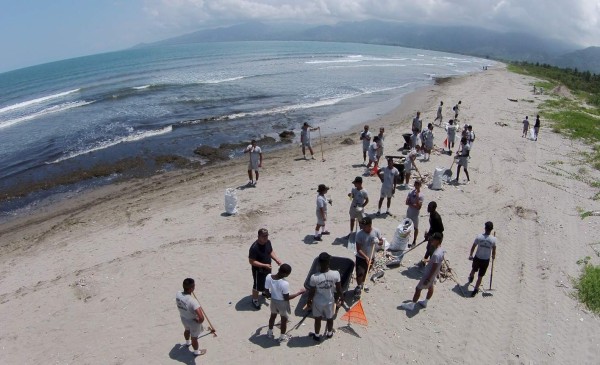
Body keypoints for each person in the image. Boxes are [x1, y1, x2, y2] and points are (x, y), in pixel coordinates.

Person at [400, 232, 444, 310]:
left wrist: (428, 278)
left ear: (438, 240)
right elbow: (437, 263)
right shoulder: (441, 250)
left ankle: (412, 305)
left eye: (433, 239)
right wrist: (428, 260)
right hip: (434, 274)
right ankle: (425, 302)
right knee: (431, 287)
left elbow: (434, 267)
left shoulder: (436, 254)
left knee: (418, 288)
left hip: (429, 274)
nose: (432, 241)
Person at [307, 252, 343, 341]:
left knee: (317, 319)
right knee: (330, 318)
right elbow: (339, 288)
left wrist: (309, 300)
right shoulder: (335, 274)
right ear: (328, 262)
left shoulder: (314, 277)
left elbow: (312, 291)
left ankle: (317, 335)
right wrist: (341, 297)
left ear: (319, 263)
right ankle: (329, 333)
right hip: (329, 301)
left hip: (318, 302)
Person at [265, 264, 305, 342]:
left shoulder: (269, 276)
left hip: (273, 300)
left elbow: (266, 291)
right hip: (282, 303)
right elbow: (286, 297)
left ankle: (269, 332)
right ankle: (282, 337)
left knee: (272, 316)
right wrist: (299, 293)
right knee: (284, 319)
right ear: (286, 274)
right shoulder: (284, 283)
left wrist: (272, 296)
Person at [248, 228, 283, 309]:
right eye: (264, 236)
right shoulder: (254, 247)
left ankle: (264, 292)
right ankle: (255, 300)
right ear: (258, 236)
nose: (266, 237)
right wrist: (264, 265)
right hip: (258, 270)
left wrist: (276, 259)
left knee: (267, 281)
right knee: (256, 286)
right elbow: (251, 261)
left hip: (267, 267)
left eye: (267, 235)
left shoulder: (268, 242)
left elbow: (270, 251)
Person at [176, 278, 206, 357]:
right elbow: (202, 318)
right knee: (194, 338)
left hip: (183, 318)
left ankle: (187, 342)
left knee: (186, 330)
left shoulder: (178, 294)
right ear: (191, 288)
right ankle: (196, 352)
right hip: (192, 321)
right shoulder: (192, 301)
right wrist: (198, 321)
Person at [354, 217, 383, 298]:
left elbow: (381, 242)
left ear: (370, 225)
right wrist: (366, 257)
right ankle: (359, 287)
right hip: (361, 257)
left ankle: (362, 284)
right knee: (360, 273)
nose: (362, 227)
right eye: (362, 225)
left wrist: (378, 241)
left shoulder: (376, 231)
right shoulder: (359, 234)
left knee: (366, 272)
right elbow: (358, 249)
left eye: (364, 226)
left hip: (372, 257)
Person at [468, 221, 497, 297]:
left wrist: (471, 255)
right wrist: (493, 256)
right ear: (491, 229)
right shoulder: (493, 239)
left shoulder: (479, 236)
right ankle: (475, 289)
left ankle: (471, 276)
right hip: (485, 260)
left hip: (477, 258)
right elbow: (494, 250)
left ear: (485, 228)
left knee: (474, 269)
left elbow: (473, 246)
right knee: (480, 276)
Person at [422, 201, 444, 266]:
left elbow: (441, 229)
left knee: (432, 251)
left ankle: (431, 266)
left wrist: (431, 235)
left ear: (434, 208)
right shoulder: (431, 215)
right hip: (433, 235)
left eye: (430, 207)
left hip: (437, 236)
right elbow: (432, 227)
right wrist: (428, 234)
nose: (428, 208)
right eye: (428, 207)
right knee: (428, 248)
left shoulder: (436, 217)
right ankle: (424, 260)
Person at [406, 180, 424, 247]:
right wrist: (414, 204)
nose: (416, 186)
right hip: (409, 212)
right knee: (407, 227)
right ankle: (406, 240)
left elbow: (418, 207)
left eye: (418, 185)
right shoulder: (410, 192)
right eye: (415, 184)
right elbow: (407, 202)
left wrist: (417, 196)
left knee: (415, 228)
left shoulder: (421, 195)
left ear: (420, 186)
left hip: (415, 214)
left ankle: (414, 241)